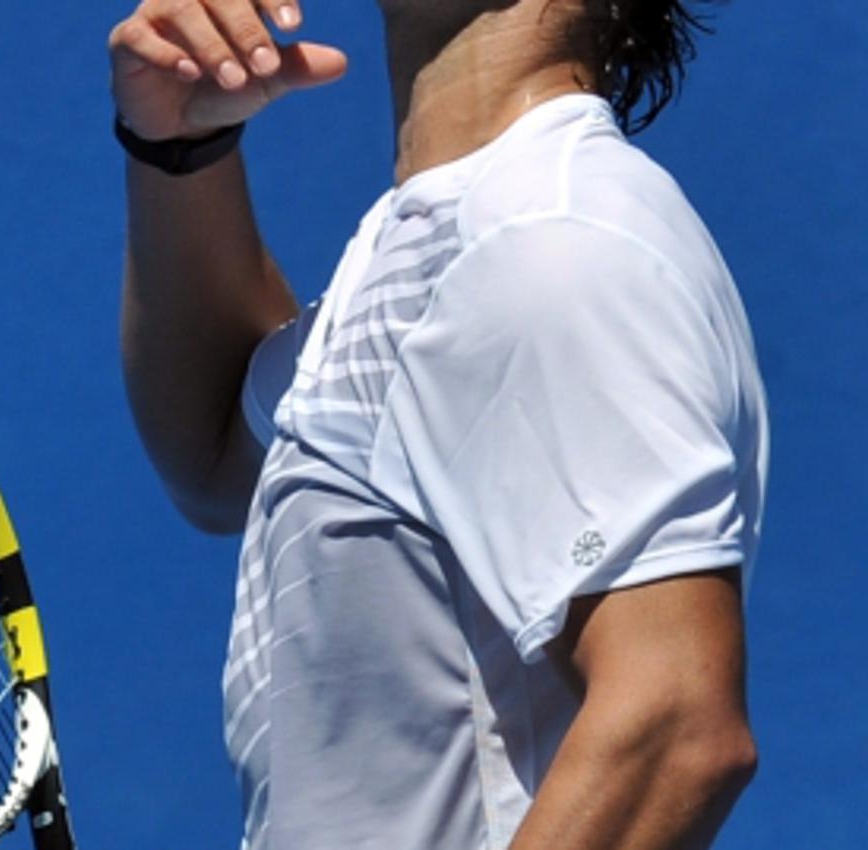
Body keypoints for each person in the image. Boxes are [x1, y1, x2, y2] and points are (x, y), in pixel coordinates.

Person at [109, 0, 768, 847]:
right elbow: (212, 458)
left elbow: (677, 725)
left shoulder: (547, 236)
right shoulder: (443, 236)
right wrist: (177, 153)